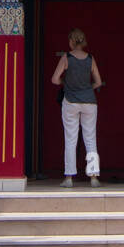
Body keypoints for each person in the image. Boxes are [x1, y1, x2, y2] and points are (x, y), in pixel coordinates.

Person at [51, 29, 102, 188]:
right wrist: (88, 88)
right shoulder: (90, 59)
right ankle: (93, 177)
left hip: (71, 102)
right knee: (90, 138)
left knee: (71, 139)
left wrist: (65, 84)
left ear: (71, 42)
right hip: (89, 102)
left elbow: (54, 79)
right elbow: (98, 82)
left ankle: (69, 178)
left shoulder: (67, 57)